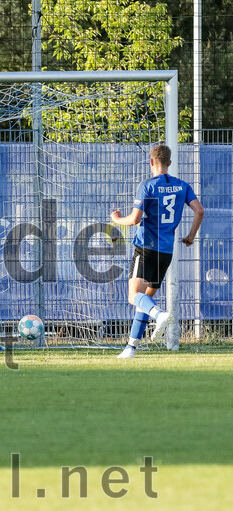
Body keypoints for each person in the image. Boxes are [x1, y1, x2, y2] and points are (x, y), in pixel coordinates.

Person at [111, 144, 204, 359]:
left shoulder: (148, 186)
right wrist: (190, 236)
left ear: (151, 162)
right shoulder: (182, 186)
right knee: (144, 299)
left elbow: (134, 220)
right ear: (169, 163)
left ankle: (159, 315)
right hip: (166, 252)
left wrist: (116, 219)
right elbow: (199, 210)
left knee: (134, 296)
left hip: (146, 247)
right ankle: (130, 348)